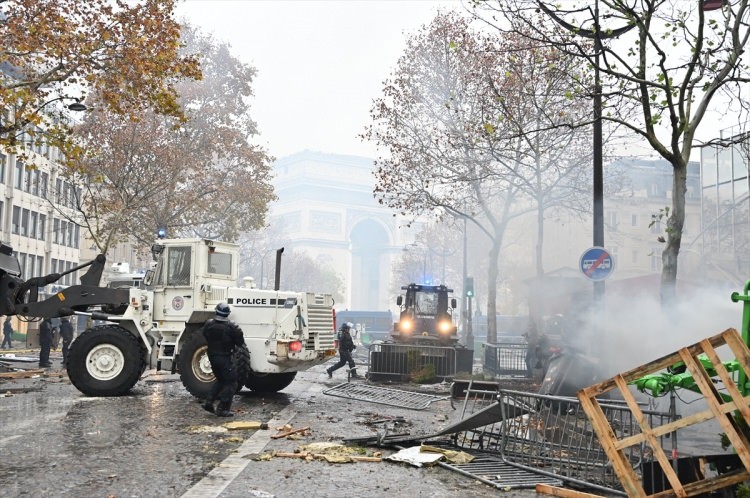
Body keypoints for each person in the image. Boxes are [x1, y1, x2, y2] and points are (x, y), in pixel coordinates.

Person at [201, 302, 246, 417]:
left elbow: (204, 335)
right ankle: (222, 409)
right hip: (225, 357)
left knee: (221, 379)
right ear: (227, 314)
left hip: (212, 357)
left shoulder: (208, 324)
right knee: (231, 382)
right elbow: (240, 342)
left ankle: (209, 402)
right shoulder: (232, 327)